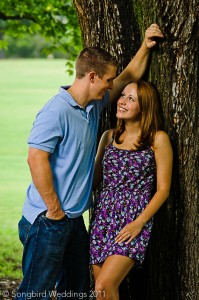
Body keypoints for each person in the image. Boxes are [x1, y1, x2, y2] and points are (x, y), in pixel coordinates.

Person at [16, 24, 164, 300]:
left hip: (73, 221)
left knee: (75, 291)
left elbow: (130, 75)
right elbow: (35, 158)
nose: (112, 87)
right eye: (108, 81)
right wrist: (55, 210)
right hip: (47, 220)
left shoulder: (93, 106)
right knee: (34, 294)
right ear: (93, 77)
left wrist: (146, 44)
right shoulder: (55, 111)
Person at [89, 80, 173, 300]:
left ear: (144, 106)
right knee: (101, 289)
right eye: (122, 95)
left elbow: (163, 189)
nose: (122, 101)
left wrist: (139, 222)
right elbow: (95, 180)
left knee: (104, 285)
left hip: (133, 220)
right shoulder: (109, 137)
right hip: (104, 218)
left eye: (131, 98)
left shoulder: (157, 139)